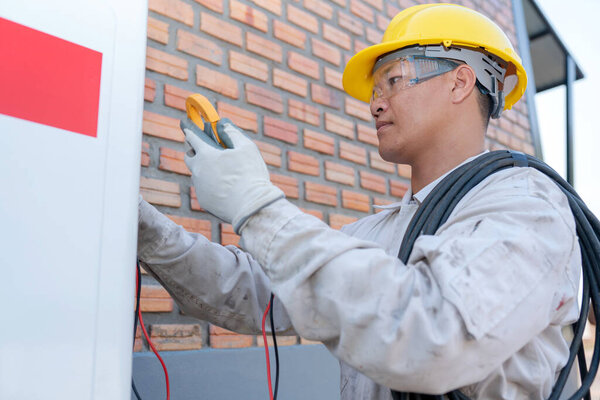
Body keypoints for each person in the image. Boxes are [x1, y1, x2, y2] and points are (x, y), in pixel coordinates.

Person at [137, 4, 581, 399]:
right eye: (375, 90)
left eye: (392, 80)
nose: (375, 104)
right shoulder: (380, 232)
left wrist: (256, 204)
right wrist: (145, 230)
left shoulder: (527, 208)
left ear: (460, 81)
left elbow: (433, 330)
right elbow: (254, 290)